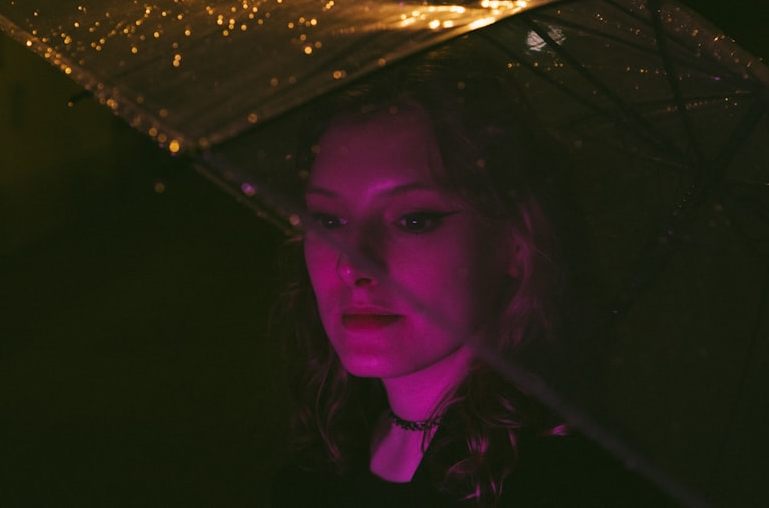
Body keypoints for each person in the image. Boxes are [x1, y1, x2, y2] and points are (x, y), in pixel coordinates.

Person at [270, 39, 677, 506]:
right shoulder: (327, 457)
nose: (352, 263)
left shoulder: (572, 484)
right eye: (328, 220)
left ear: (517, 244)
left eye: (413, 220)